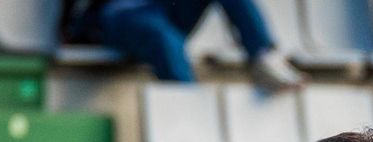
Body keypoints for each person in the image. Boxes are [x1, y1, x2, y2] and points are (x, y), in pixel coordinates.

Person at [59, 0, 302, 90]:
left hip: (165, 9)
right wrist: (70, 28)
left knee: (164, 33)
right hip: (122, 13)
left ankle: (263, 55)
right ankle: (189, 113)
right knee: (163, 37)